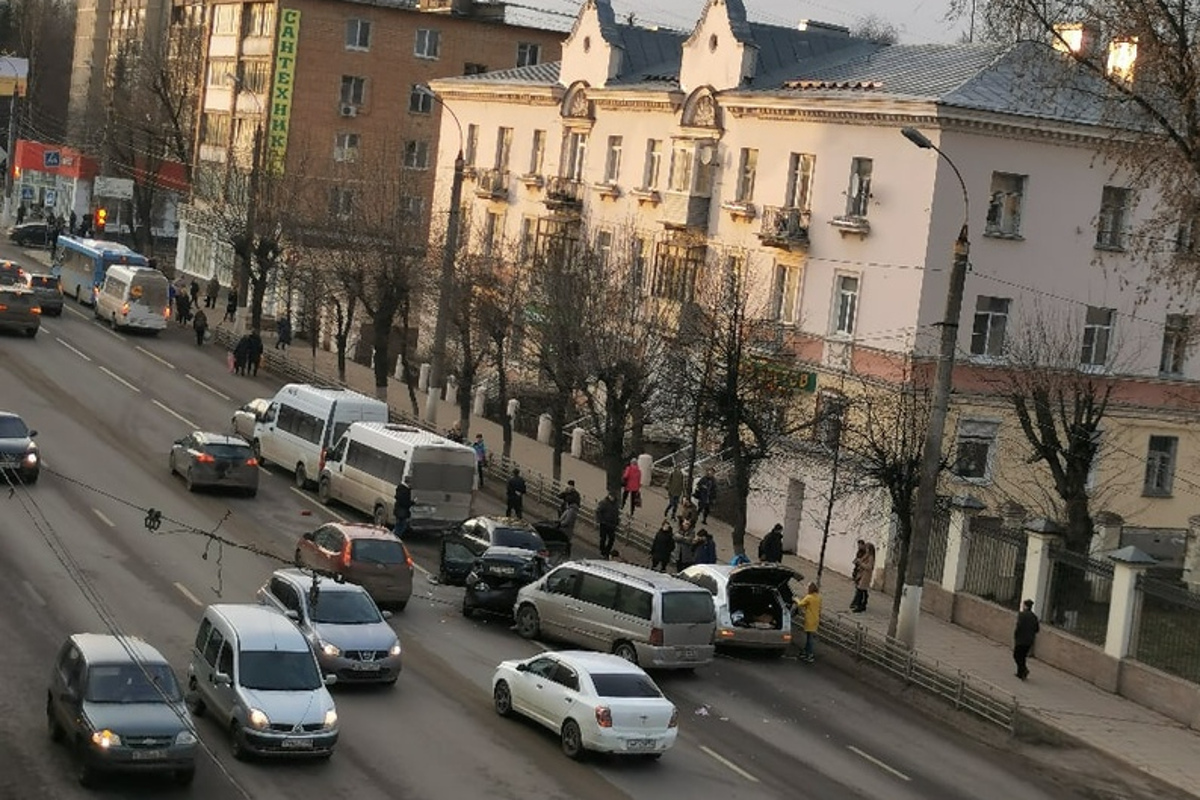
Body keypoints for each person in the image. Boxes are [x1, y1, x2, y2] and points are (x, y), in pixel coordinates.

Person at [1013, 599, 1040, 680]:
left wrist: (1016, 635)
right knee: (1023, 656)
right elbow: (1037, 629)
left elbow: (1019, 626)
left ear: (1025, 606)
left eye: (1023, 605)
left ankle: (1024, 670)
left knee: (1017, 655)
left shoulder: (1021, 615)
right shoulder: (1034, 617)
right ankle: (1020, 673)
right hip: (1029, 641)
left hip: (1021, 639)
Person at [796, 582, 822, 663]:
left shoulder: (809, 597)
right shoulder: (818, 597)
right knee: (809, 637)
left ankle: (809, 654)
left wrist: (796, 599)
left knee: (809, 638)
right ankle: (805, 652)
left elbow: (800, 604)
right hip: (816, 619)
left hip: (809, 619)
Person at [852, 542, 876, 613]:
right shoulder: (866, 555)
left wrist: (861, 564)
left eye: (867, 548)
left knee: (861, 590)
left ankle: (860, 606)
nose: (866, 549)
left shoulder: (871, 557)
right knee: (862, 590)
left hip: (866, 575)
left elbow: (869, 567)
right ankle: (861, 604)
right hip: (862, 574)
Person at [596, 491, 620, 559]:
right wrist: (600, 520)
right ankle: (602, 550)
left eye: (613, 497)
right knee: (603, 538)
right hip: (604, 524)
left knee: (611, 539)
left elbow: (616, 514)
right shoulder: (604, 503)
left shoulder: (615, 504)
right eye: (611, 496)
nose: (612, 498)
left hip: (612, 525)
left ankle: (607, 550)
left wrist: (617, 522)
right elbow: (598, 511)